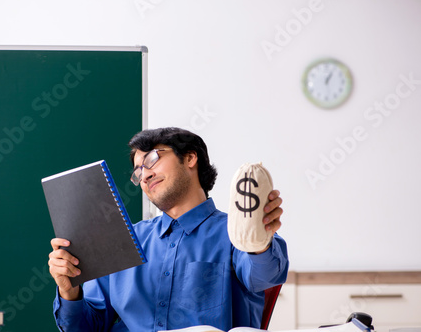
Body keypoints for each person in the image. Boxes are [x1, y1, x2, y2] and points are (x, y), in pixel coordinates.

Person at [48, 127, 289, 331]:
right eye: (138, 170)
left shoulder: (235, 233)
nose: (145, 175)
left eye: (153, 159)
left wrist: (258, 238)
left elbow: (263, 277)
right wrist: (70, 292)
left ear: (190, 158)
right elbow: (86, 327)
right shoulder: (124, 240)